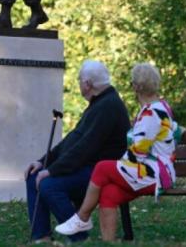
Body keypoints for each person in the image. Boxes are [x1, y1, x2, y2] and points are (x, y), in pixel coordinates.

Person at [54, 63, 180, 241]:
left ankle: (82, 217)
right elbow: (173, 129)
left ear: (135, 87)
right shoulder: (160, 107)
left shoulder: (150, 114)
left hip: (154, 173)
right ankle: (109, 242)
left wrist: (118, 165)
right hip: (154, 171)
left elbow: (137, 152)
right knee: (109, 194)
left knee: (103, 168)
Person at [24, 60, 130, 242]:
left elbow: (85, 149)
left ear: (88, 84)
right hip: (88, 167)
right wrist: (42, 162)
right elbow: (72, 140)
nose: (79, 83)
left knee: (48, 185)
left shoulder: (108, 106)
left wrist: (52, 171)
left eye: (80, 80)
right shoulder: (99, 103)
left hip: (101, 172)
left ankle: (79, 236)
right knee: (34, 175)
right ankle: (41, 236)